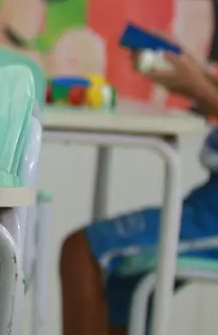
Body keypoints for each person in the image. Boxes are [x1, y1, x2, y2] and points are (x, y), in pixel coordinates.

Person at [61, 50, 218, 335]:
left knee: (83, 252)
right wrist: (193, 73)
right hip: (208, 201)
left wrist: (199, 87)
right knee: (121, 287)